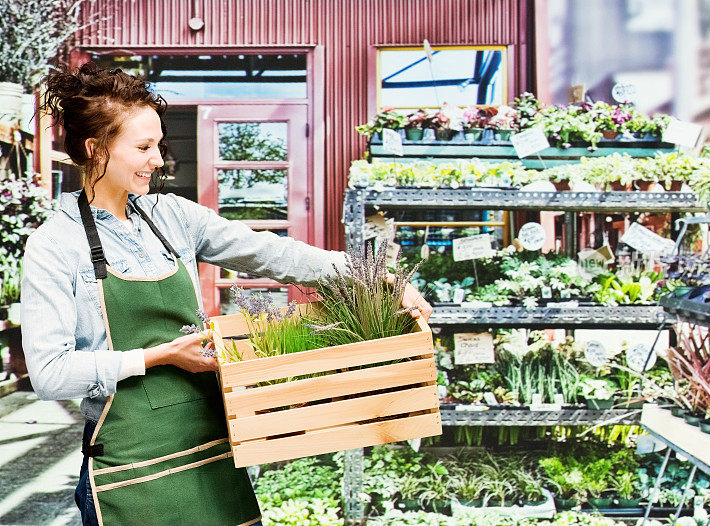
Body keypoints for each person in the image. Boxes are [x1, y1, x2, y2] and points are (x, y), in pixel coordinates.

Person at [21, 62, 433, 526]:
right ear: (96, 150)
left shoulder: (173, 216)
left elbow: (275, 254)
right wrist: (158, 357)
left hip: (213, 457)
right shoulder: (56, 245)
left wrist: (376, 279)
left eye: (158, 145)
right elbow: (50, 374)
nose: (158, 160)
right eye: (142, 147)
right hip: (130, 474)